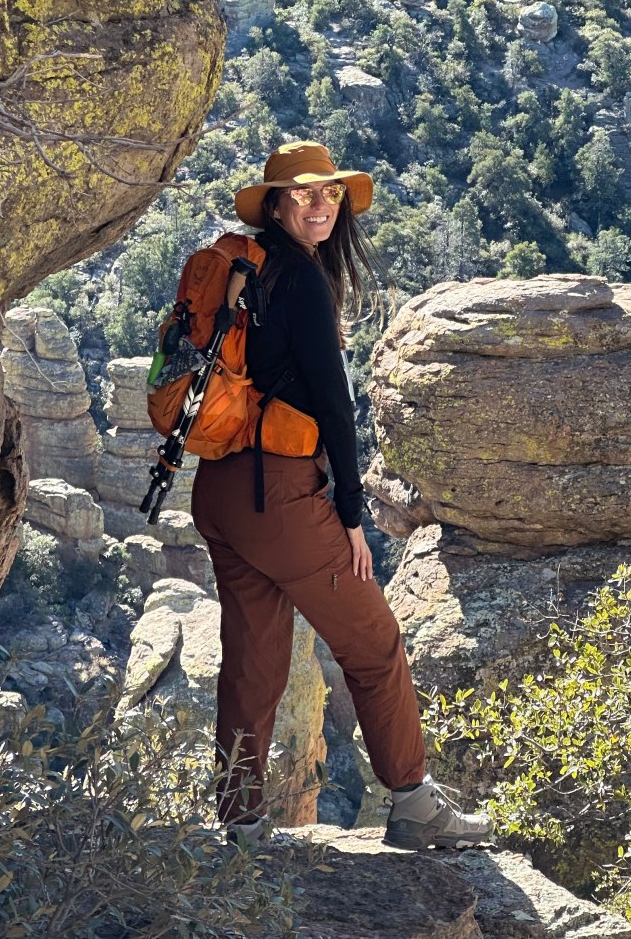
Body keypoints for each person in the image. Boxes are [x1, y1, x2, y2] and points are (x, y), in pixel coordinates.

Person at [190, 140, 492, 850]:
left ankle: (240, 826)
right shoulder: (299, 281)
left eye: (330, 193)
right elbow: (335, 407)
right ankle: (414, 803)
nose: (322, 205)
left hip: (221, 493)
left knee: (253, 660)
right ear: (275, 205)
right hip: (281, 499)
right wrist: (351, 519)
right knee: (374, 642)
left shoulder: (247, 268)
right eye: (304, 194)